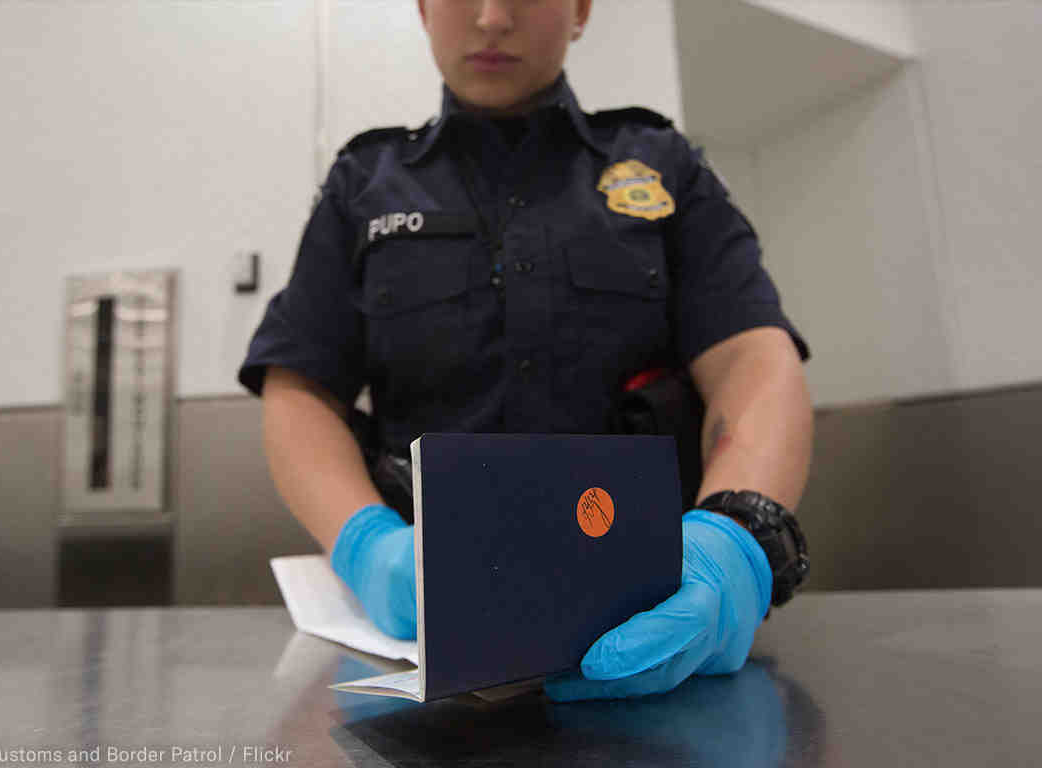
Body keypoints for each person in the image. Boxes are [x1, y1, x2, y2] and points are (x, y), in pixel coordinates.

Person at [239, 0, 814, 701]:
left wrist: (732, 540)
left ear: (579, 10)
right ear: (422, 9)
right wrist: (367, 546)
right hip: (418, 656)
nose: (490, 17)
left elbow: (752, 358)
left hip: (653, 623)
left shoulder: (662, 164)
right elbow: (300, 391)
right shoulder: (363, 181)